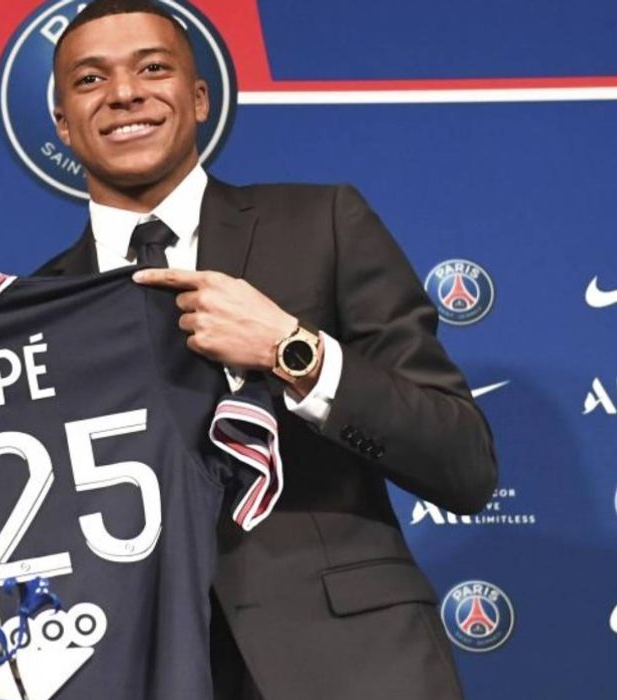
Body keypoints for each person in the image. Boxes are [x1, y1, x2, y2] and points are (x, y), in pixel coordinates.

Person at [35, 1, 498, 698]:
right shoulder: (36, 307)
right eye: (90, 79)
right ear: (63, 124)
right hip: (138, 668)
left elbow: (463, 464)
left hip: (348, 665)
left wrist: (293, 350)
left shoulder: (322, 223)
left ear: (199, 99)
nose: (124, 93)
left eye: (152, 68)